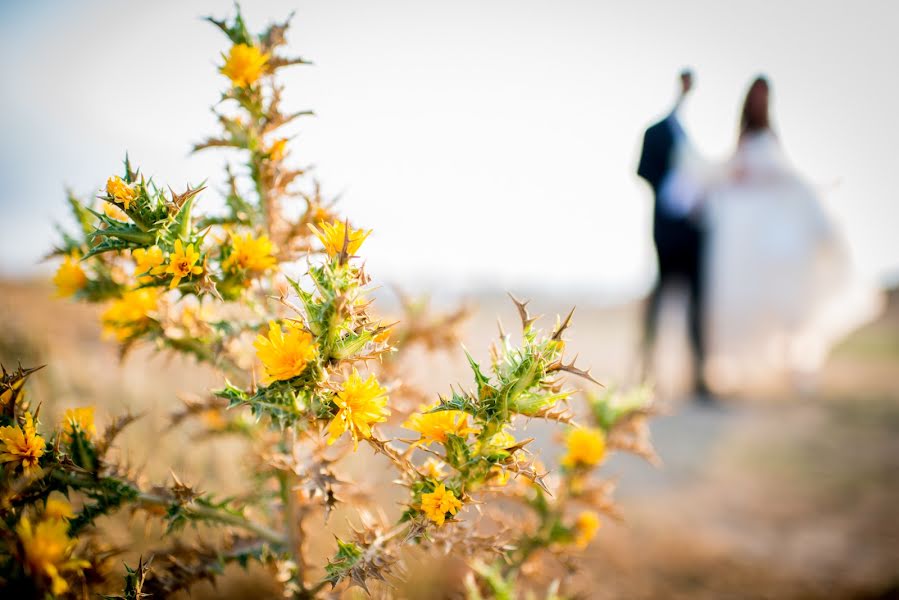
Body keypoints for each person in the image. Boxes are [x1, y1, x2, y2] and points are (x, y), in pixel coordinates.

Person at [703, 76, 880, 392]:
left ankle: (796, 366)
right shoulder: (742, 140)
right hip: (749, 237)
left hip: (773, 234)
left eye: (765, 97)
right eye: (757, 96)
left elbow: (788, 175)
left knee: (790, 298)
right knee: (746, 301)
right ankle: (737, 371)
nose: (761, 102)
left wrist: (817, 188)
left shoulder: (772, 138)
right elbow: (732, 175)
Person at [637, 69, 710, 397]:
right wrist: (669, 189)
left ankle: (698, 377)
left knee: (697, 305)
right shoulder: (658, 131)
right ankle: (647, 373)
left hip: (694, 232)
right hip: (666, 231)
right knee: (660, 302)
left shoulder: (695, 135)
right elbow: (643, 170)